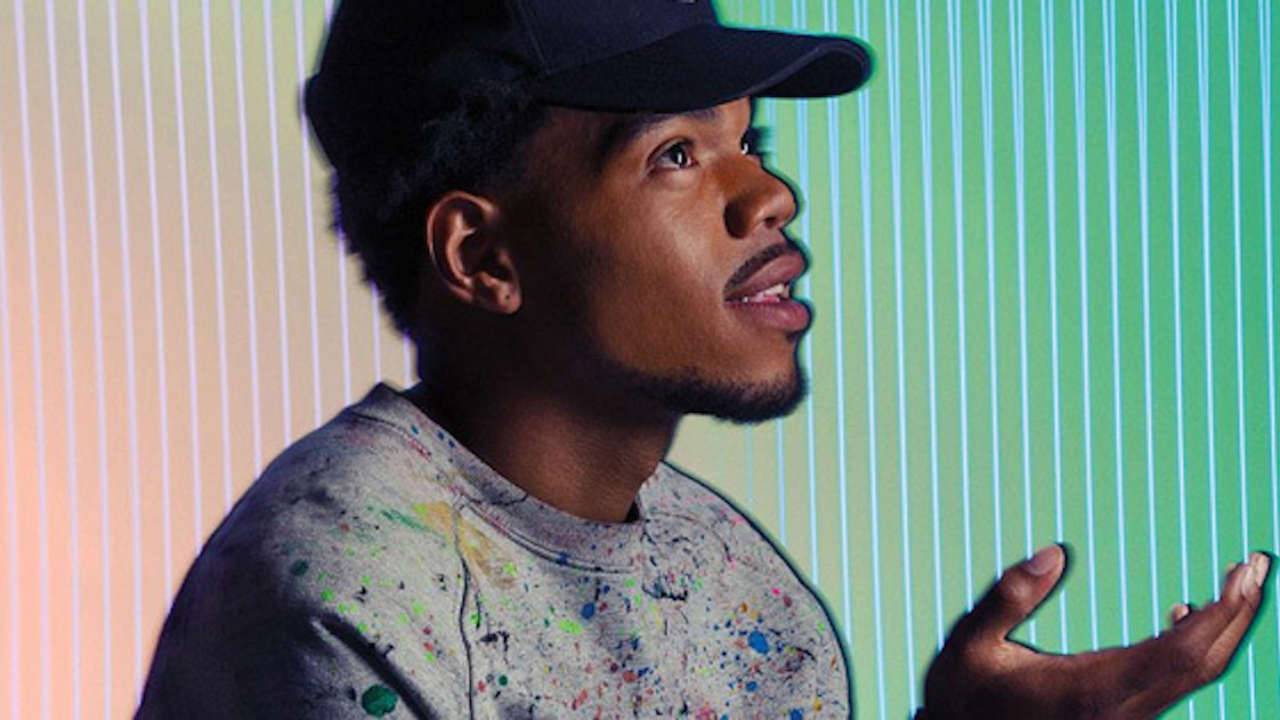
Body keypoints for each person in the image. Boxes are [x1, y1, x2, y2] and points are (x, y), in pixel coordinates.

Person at [134, 1, 1270, 717]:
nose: (770, 195)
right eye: (676, 154)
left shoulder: (727, 575)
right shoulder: (341, 606)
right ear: (482, 256)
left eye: (747, 140)